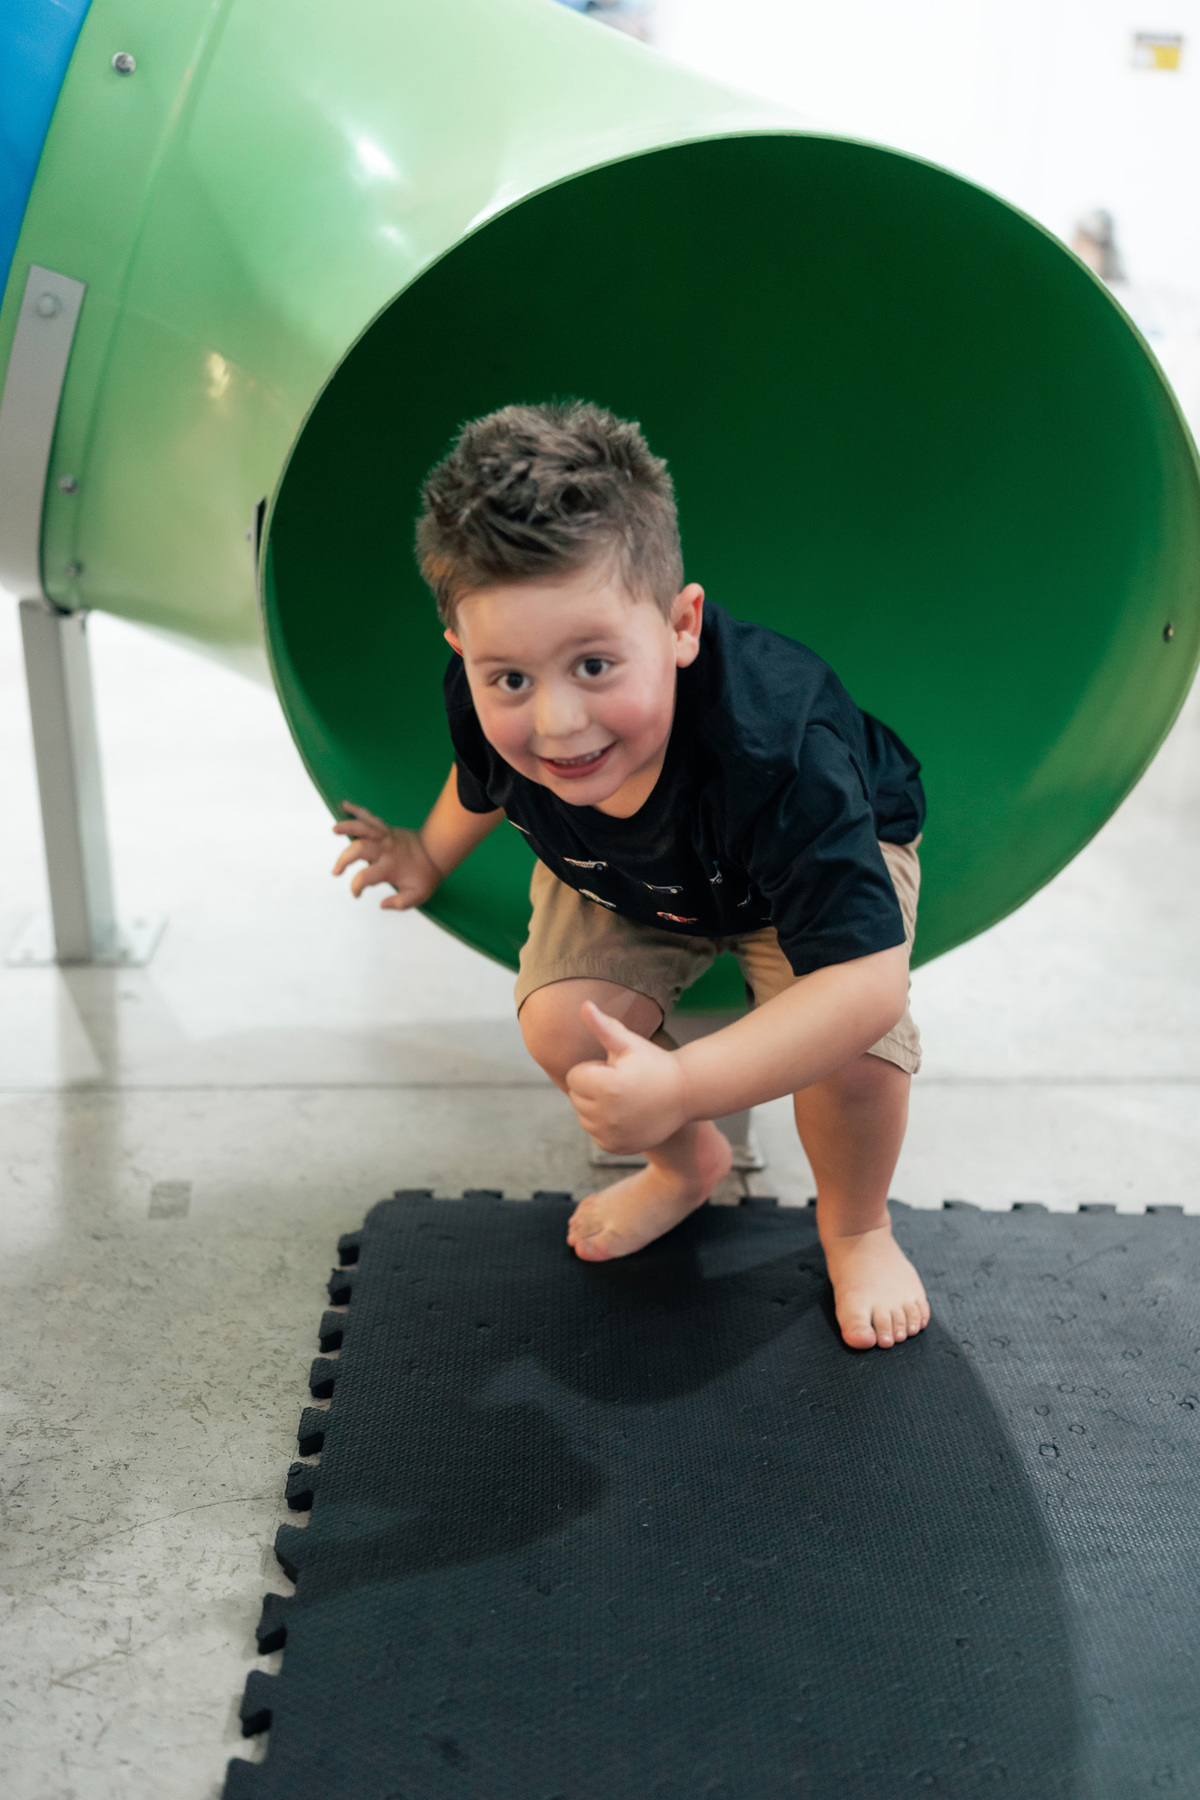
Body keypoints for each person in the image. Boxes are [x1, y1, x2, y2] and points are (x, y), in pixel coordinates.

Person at [333, 402, 930, 1351]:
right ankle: (684, 1167)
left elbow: (867, 985)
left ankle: (858, 1227)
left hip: (789, 873)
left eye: (595, 664)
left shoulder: (781, 751)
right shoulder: (489, 705)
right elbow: (482, 781)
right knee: (561, 1025)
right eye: (510, 679)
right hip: (625, 874)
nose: (558, 723)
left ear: (682, 625)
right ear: (466, 656)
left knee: (855, 1057)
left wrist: (684, 1080)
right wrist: (428, 852)